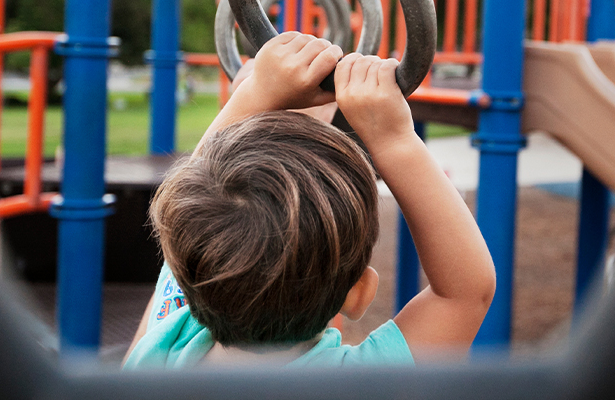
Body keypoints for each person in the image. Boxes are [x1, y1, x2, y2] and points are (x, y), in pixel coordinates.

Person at [124, 31, 495, 368]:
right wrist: (394, 140)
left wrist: (254, 96)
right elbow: (464, 293)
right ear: (357, 294)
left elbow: (187, 221)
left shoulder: (160, 355)